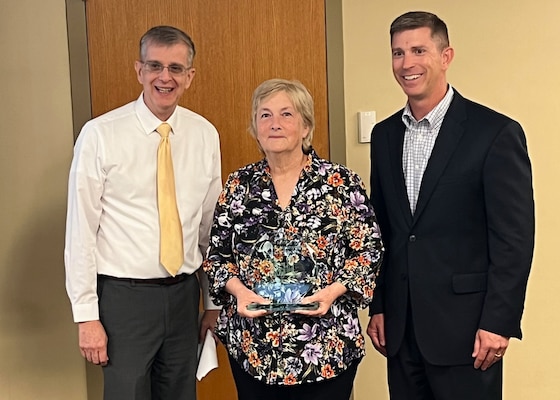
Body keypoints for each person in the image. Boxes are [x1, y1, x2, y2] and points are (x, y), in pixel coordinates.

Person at [366, 11, 534, 400]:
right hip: (401, 330)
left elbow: (514, 239)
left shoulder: (494, 133)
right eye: (398, 53)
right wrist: (379, 304)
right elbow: (383, 229)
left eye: (419, 50)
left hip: (469, 332)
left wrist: (499, 322)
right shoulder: (385, 135)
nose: (407, 63)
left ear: (446, 56)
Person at [64, 25, 222, 399]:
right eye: (154, 66)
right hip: (124, 301)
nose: (164, 77)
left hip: (184, 298)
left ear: (189, 76)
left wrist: (212, 301)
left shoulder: (204, 135)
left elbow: (208, 229)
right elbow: (81, 232)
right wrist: (86, 315)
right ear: (139, 70)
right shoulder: (100, 135)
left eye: (175, 68)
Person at [203, 78, 384, 400]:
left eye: (286, 114)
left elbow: (368, 250)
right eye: (265, 115)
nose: (275, 124)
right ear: (255, 127)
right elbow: (217, 256)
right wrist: (240, 292)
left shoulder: (339, 182)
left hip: (326, 343)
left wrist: (331, 293)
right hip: (254, 346)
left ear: (305, 126)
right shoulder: (238, 186)